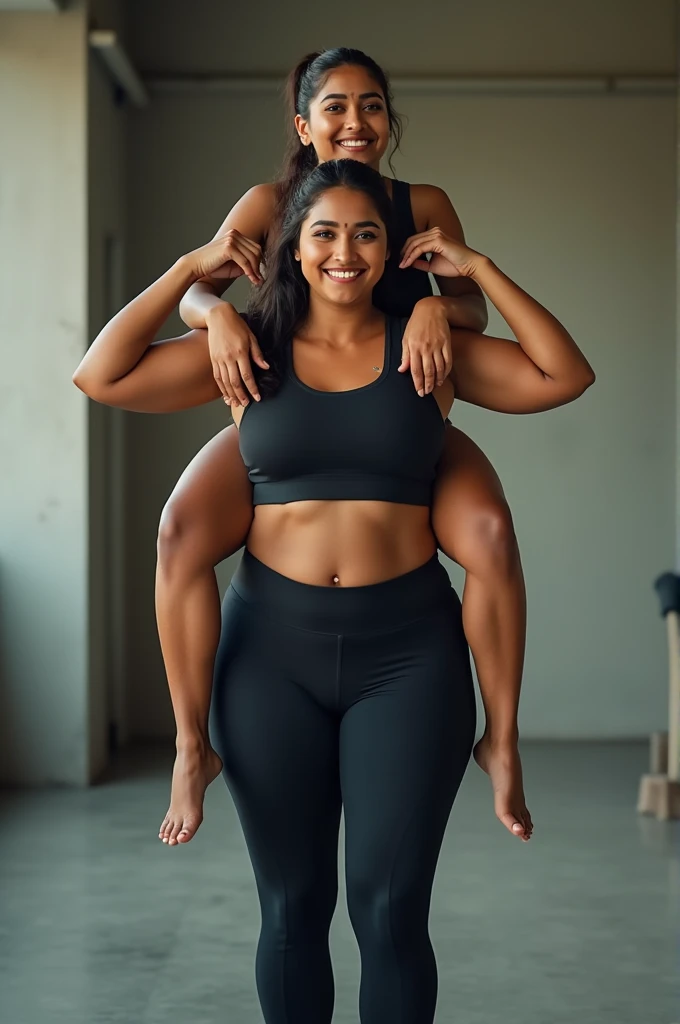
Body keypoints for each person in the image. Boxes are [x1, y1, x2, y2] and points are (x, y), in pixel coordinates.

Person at [73, 158, 594, 1024]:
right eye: (322, 234)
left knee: (389, 914)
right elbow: (101, 375)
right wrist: (188, 275)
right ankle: (187, 748)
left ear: (393, 253)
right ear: (291, 250)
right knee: (291, 915)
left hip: (410, 659)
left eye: (365, 235)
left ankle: (499, 744)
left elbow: (562, 375)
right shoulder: (249, 351)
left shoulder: (430, 351)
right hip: (269, 656)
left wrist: (479, 271)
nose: (344, 252)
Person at [154, 48, 532, 849]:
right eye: (335, 107)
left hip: (401, 411)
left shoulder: (421, 202)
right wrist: (213, 315)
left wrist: (435, 312)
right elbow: (201, 284)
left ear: (390, 120)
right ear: (304, 123)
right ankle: (193, 744)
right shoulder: (266, 202)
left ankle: (501, 733)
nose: (354, 123)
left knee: (492, 535)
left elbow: (471, 307)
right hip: (288, 399)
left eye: (371, 107)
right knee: (180, 530)